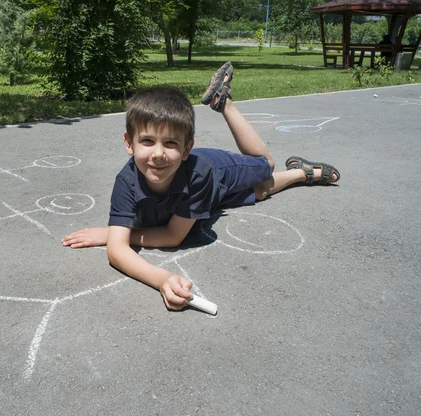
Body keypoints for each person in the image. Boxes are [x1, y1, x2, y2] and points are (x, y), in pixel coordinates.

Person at [61, 62, 340, 311]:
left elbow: (172, 237)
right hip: (198, 195)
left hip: (217, 171)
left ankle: (224, 103)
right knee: (258, 193)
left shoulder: (199, 173)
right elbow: (117, 252)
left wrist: (113, 235)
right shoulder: (126, 180)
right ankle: (302, 173)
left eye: (170, 143)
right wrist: (121, 244)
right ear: (128, 143)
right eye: (147, 142)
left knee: (265, 166)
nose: (158, 153)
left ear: (186, 149)